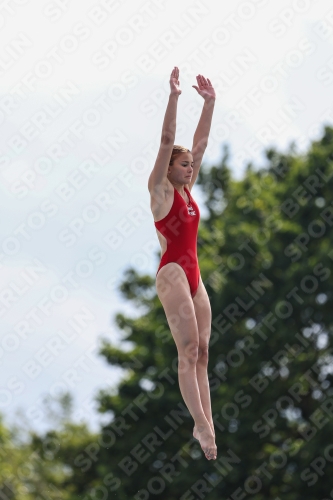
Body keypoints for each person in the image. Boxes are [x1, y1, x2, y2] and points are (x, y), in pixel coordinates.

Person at [148, 67, 217, 460]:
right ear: (169, 168)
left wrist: (209, 103)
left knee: (204, 352)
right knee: (187, 350)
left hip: (194, 275)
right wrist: (174, 97)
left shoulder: (188, 192)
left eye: (191, 165)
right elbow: (167, 140)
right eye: (183, 164)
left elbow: (201, 144)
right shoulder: (160, 192)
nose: (190, 167)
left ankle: (207, 420)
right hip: (173, 272)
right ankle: (201, 425)